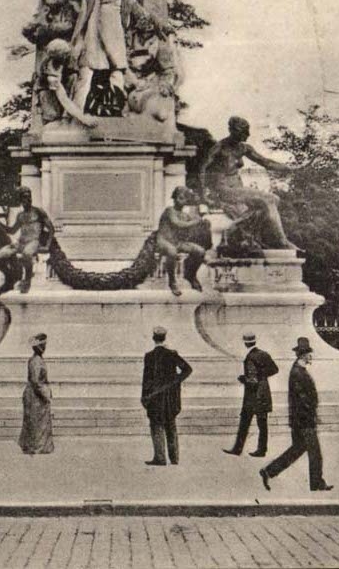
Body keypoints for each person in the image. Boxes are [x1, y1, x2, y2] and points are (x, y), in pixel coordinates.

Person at [200, 116, 297, 250]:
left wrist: (287, 168)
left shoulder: (244, 148)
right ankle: (282, 242)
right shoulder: (219, 148)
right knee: (270, 199)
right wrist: (204, 193)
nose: (248, 134)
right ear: (233, 131)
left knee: (273, 200)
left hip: (237, 188)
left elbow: (265, 162)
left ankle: (249, 233)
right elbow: (203, 168)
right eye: (244, 131)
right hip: (223, 188)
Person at [260, 338, 333, 493]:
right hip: (304, 419)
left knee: (297, 449)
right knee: (315, 453)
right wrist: (312, 414)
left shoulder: (299, 371)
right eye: (308, 354)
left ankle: (269, 471)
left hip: (300, 418)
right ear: (303, 355)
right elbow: (302, 398)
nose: (310, 356)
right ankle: (316, 483)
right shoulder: (298, 373)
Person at [141, 327, 192, 466]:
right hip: (171, 398)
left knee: (156, 426)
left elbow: (146, 380)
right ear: (164, 338)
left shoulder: (149, 356)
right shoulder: (172, 354)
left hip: (155, 398)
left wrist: (144, 398)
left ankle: (160, 457)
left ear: (153, 338)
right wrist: (175, 381)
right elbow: (188, 369)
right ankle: (174, 458)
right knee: (171, 426)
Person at [224, 332, 279, 458]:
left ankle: (237, 449)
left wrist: (244, 379)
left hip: (252, 394)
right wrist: (262, 376)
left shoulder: (250, 357)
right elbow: (275, 369)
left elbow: (252, 380)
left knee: (245, 422)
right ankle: (262, 450)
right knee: (262, 424)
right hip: (264, 392)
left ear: (245, 342)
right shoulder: (264, 354)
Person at [0, 188, 54, 294]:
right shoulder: (20, 215)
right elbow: (12, 230)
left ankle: (27, 280)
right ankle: (10, 277)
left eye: (29, 197)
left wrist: (47, 245)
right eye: (24, 197)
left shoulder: (38, 212)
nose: (28, 199)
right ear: (20, 200)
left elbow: (51, 229)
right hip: (21, 242)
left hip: (33, 241)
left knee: (26, 254)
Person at [156, 186, 210, 296]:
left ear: (187, 201)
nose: (180, 200)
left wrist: (204, 223)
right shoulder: (169, 210)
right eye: (178, 198)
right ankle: (172, 281)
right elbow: (178, 224)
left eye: (183, 199)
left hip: (178, 242)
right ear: (174, 198)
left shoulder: (185, 215)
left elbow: (191, 228)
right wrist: (196, 222)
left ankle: (190, 274)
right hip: (164, 240)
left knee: (200, 251)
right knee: (172, 252)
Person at [18, 333, 54, 455]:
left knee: (38, 421)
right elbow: (36, 381)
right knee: (35, 421)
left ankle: (38, 446)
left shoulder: (36, 360)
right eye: (43, 345)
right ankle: (35, 447)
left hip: (35, 394)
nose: (44, 348)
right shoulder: (36, 361)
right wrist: (46, 395)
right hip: (35, 395)